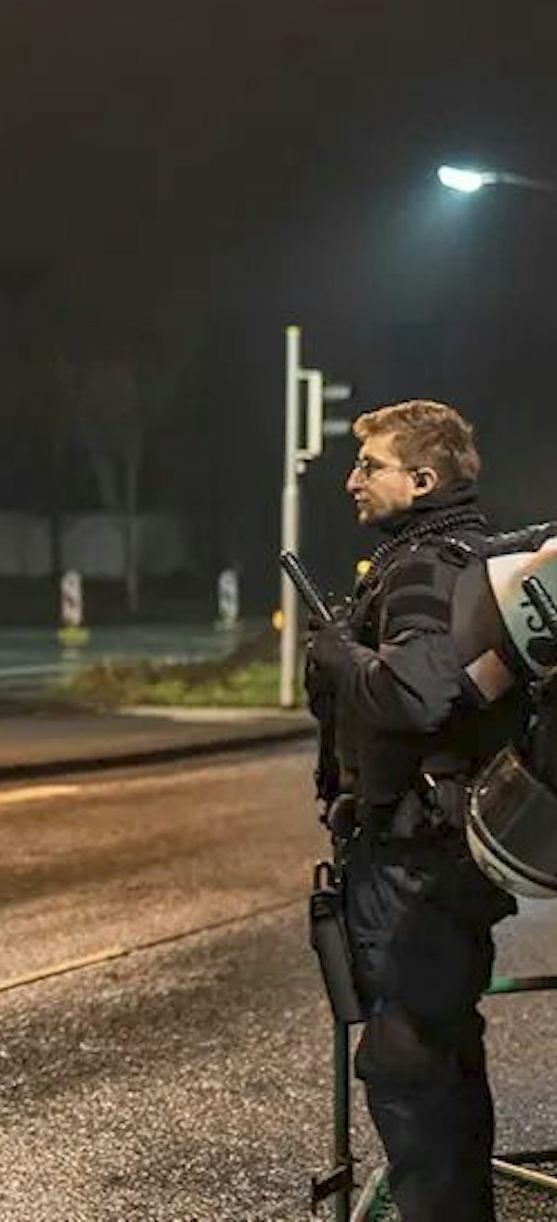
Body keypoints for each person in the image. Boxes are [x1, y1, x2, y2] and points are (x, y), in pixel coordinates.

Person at [306, 399, 522, 1220]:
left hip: (415, 860)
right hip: (444, 848)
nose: (351, 478)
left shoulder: (427, 564)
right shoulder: (464, 552)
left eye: (371, 465)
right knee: (438, 1046)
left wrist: (337, 651)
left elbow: (412, 692)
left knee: (410, 1059)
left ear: (422, 479)